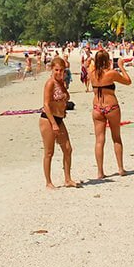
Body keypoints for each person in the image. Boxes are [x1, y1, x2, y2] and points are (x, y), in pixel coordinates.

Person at [90, 50, 132, 178]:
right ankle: (120, 168)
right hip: (111, 107)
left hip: (97, 108)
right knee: (116, 137)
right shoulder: (111, 74)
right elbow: (128, 81)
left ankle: (100, 171)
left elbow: (92, 66)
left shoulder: (92, 74)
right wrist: (121, 66)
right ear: (108, 60)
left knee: (99, 140)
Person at [39, 56, 78, 189]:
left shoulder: (62, 83)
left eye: (61, 70)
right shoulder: (50, 83)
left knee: (67, 149)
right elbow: (46, 104)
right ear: (52, 69)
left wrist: (63, 109)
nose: (59, 73)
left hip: (59, 118)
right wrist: (53, 123)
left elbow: (64, 98)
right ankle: (48, 182)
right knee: (49, 152)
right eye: (56, 70)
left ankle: (68, 179)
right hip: (48, 120)